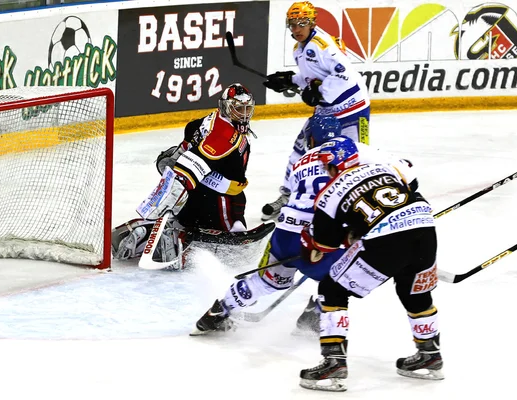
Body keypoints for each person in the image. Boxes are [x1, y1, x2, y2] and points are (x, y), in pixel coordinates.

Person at [298, 137, 443, 392]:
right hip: (425, 227)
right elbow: (409, 190)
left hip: (388, 239)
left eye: (326, 165)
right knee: (414, 292)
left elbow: (326, 244)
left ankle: (334, 362)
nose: (326, 171)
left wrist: (312, 240)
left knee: (332, 289)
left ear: (335, 164)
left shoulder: (329, 193)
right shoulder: (383, 168)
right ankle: (430, 354)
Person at [190, 115, 347, 335]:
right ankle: (314, 316)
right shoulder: (345, 160)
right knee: (343, 277)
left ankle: (220, 311)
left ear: (311, 140)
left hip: (284, 233)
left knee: (267, 282)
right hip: (314, 235)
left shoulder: (301, 162)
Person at [111, 83, 256, 267]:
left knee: (185, 221)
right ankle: (174, 241)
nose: (243, 114)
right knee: (235, 243)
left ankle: (146, 230)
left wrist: (176, 159)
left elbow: (186, 142)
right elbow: (188, 169)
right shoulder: (224, 136)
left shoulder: (208, 121)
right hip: (219, 203)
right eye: (238, 109)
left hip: (192, 199)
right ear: (226, 107)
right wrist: (168, 202)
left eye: (247, 108)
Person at [260, 1, 370, 222]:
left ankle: (358, 200)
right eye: (292, 24)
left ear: (311, 22)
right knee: (301, 149)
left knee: (354, 154)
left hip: (353, 108)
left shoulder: (321, 45)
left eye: (301, 23)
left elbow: (345, 75)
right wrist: (289, 79)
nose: (296, 29)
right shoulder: (299, 49)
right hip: (326, 109)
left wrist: (320, 93)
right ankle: (288, 195)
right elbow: (312, 76)